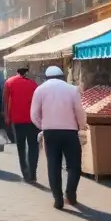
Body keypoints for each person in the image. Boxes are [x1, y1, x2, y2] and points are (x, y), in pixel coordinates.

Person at [30, 66, 86, 209]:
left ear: (46, 77)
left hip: (50, 133)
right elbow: (79, 110)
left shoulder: (40, 90)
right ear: (62, 76)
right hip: (70, 132)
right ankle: (71, 194)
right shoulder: (72, 89)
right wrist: (82, 126)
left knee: (53, 165)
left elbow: (34, 114)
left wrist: (43, 126)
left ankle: (57, 198)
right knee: (74, 165)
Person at [5, 66, 40, 181]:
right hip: (32, 120)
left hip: (17, 120)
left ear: (17, 72)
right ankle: (33, 172)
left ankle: (25, 172)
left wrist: (7, 117)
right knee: (33, 146)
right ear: (27, 73)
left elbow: (5, 101)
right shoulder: (33, 84)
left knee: (21, 147)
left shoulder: (9, 82)